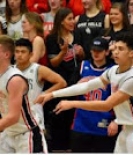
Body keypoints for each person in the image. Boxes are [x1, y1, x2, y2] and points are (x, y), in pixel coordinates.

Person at [35, 32, 133, 153]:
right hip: (126, 129)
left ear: (132, 53)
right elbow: (86, 86)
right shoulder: (113, 70)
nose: (116, 52)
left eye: (121, 49)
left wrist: (72, 104)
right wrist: (52, 94)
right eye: (115, 48)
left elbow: (106, 105)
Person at [45, 7, 84, 152]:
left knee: (72, 113)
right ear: (61, 21)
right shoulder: (51, 38)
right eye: (69, 18)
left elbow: (83, 57)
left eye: (73, 18)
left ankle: (71, 146)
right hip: (59, 80)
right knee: (59, 113)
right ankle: (57, 147)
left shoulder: (78, 34)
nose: (73, 21)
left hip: (75, 78)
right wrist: (63, 52)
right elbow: (53, 63)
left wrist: (81, 52)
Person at [69, 37, 118, 152]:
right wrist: (78, 85)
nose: (96, 53)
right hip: (81, 123)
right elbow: (68, 92)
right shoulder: (82, 67)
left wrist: (116, 120)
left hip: (104, 123)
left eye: (99, 51)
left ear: (106, 52)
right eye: (93, 50)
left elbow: (121, 99)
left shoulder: (114, 70)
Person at [0, 35, 48, 153]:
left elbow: (13, 117)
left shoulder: (14, 79)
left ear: (6, 54)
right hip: (7, 133)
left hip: (27, 134)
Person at [14, 38, 67, 131]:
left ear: (30, 54)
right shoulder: (9, 70)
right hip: (14, 116)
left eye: (23, 52)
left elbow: (62, 82)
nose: (19, 55)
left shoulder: (38, 69)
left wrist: (44, 94)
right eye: (17, 52)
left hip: (34, 115)